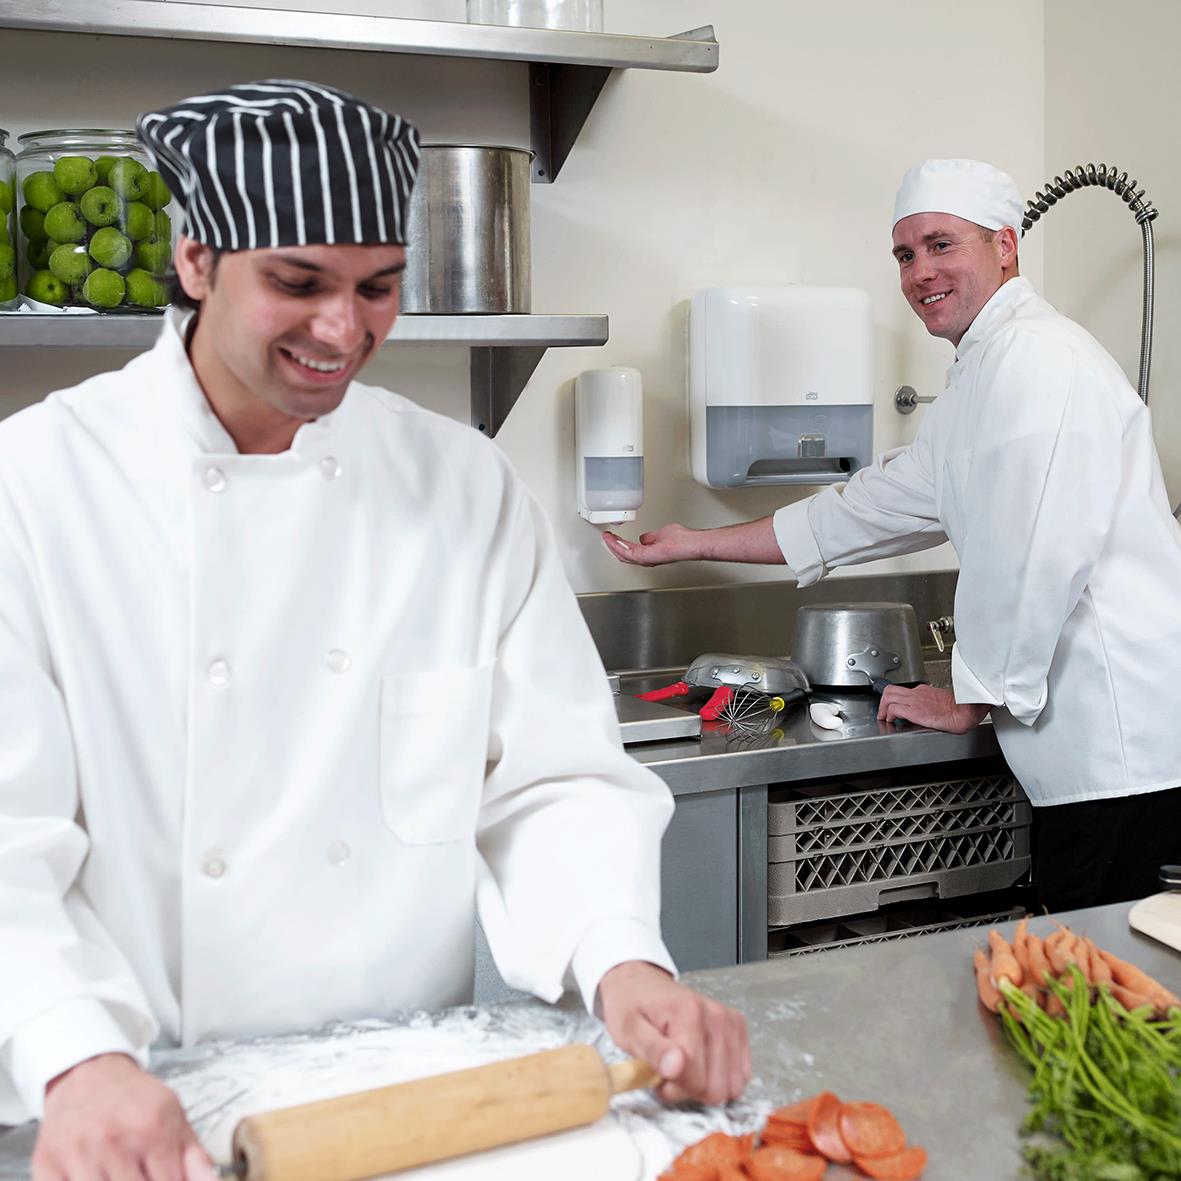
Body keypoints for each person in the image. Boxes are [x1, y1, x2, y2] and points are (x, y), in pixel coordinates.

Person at [0, 80, 749, 1181]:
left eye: (378, 286)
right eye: (296, 283)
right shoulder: (37, 485)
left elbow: (550, 777)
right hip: (131, 1099)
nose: (342, 330)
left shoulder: (460, 483)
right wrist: (72, 1054)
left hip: (412, 1108)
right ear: (197, 259)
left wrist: (618, 956)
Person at [606, 158, 1181, 916]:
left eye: (941, 245)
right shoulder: (982, 375)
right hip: (1092, 757)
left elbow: (1034, 555)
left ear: (1005, 246)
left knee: (1113, 998)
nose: (919, 273)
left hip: (1121, 753)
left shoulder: (1040, 362)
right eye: (905, 255)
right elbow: (864, 509)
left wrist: (968, 700)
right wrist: (694, 541)